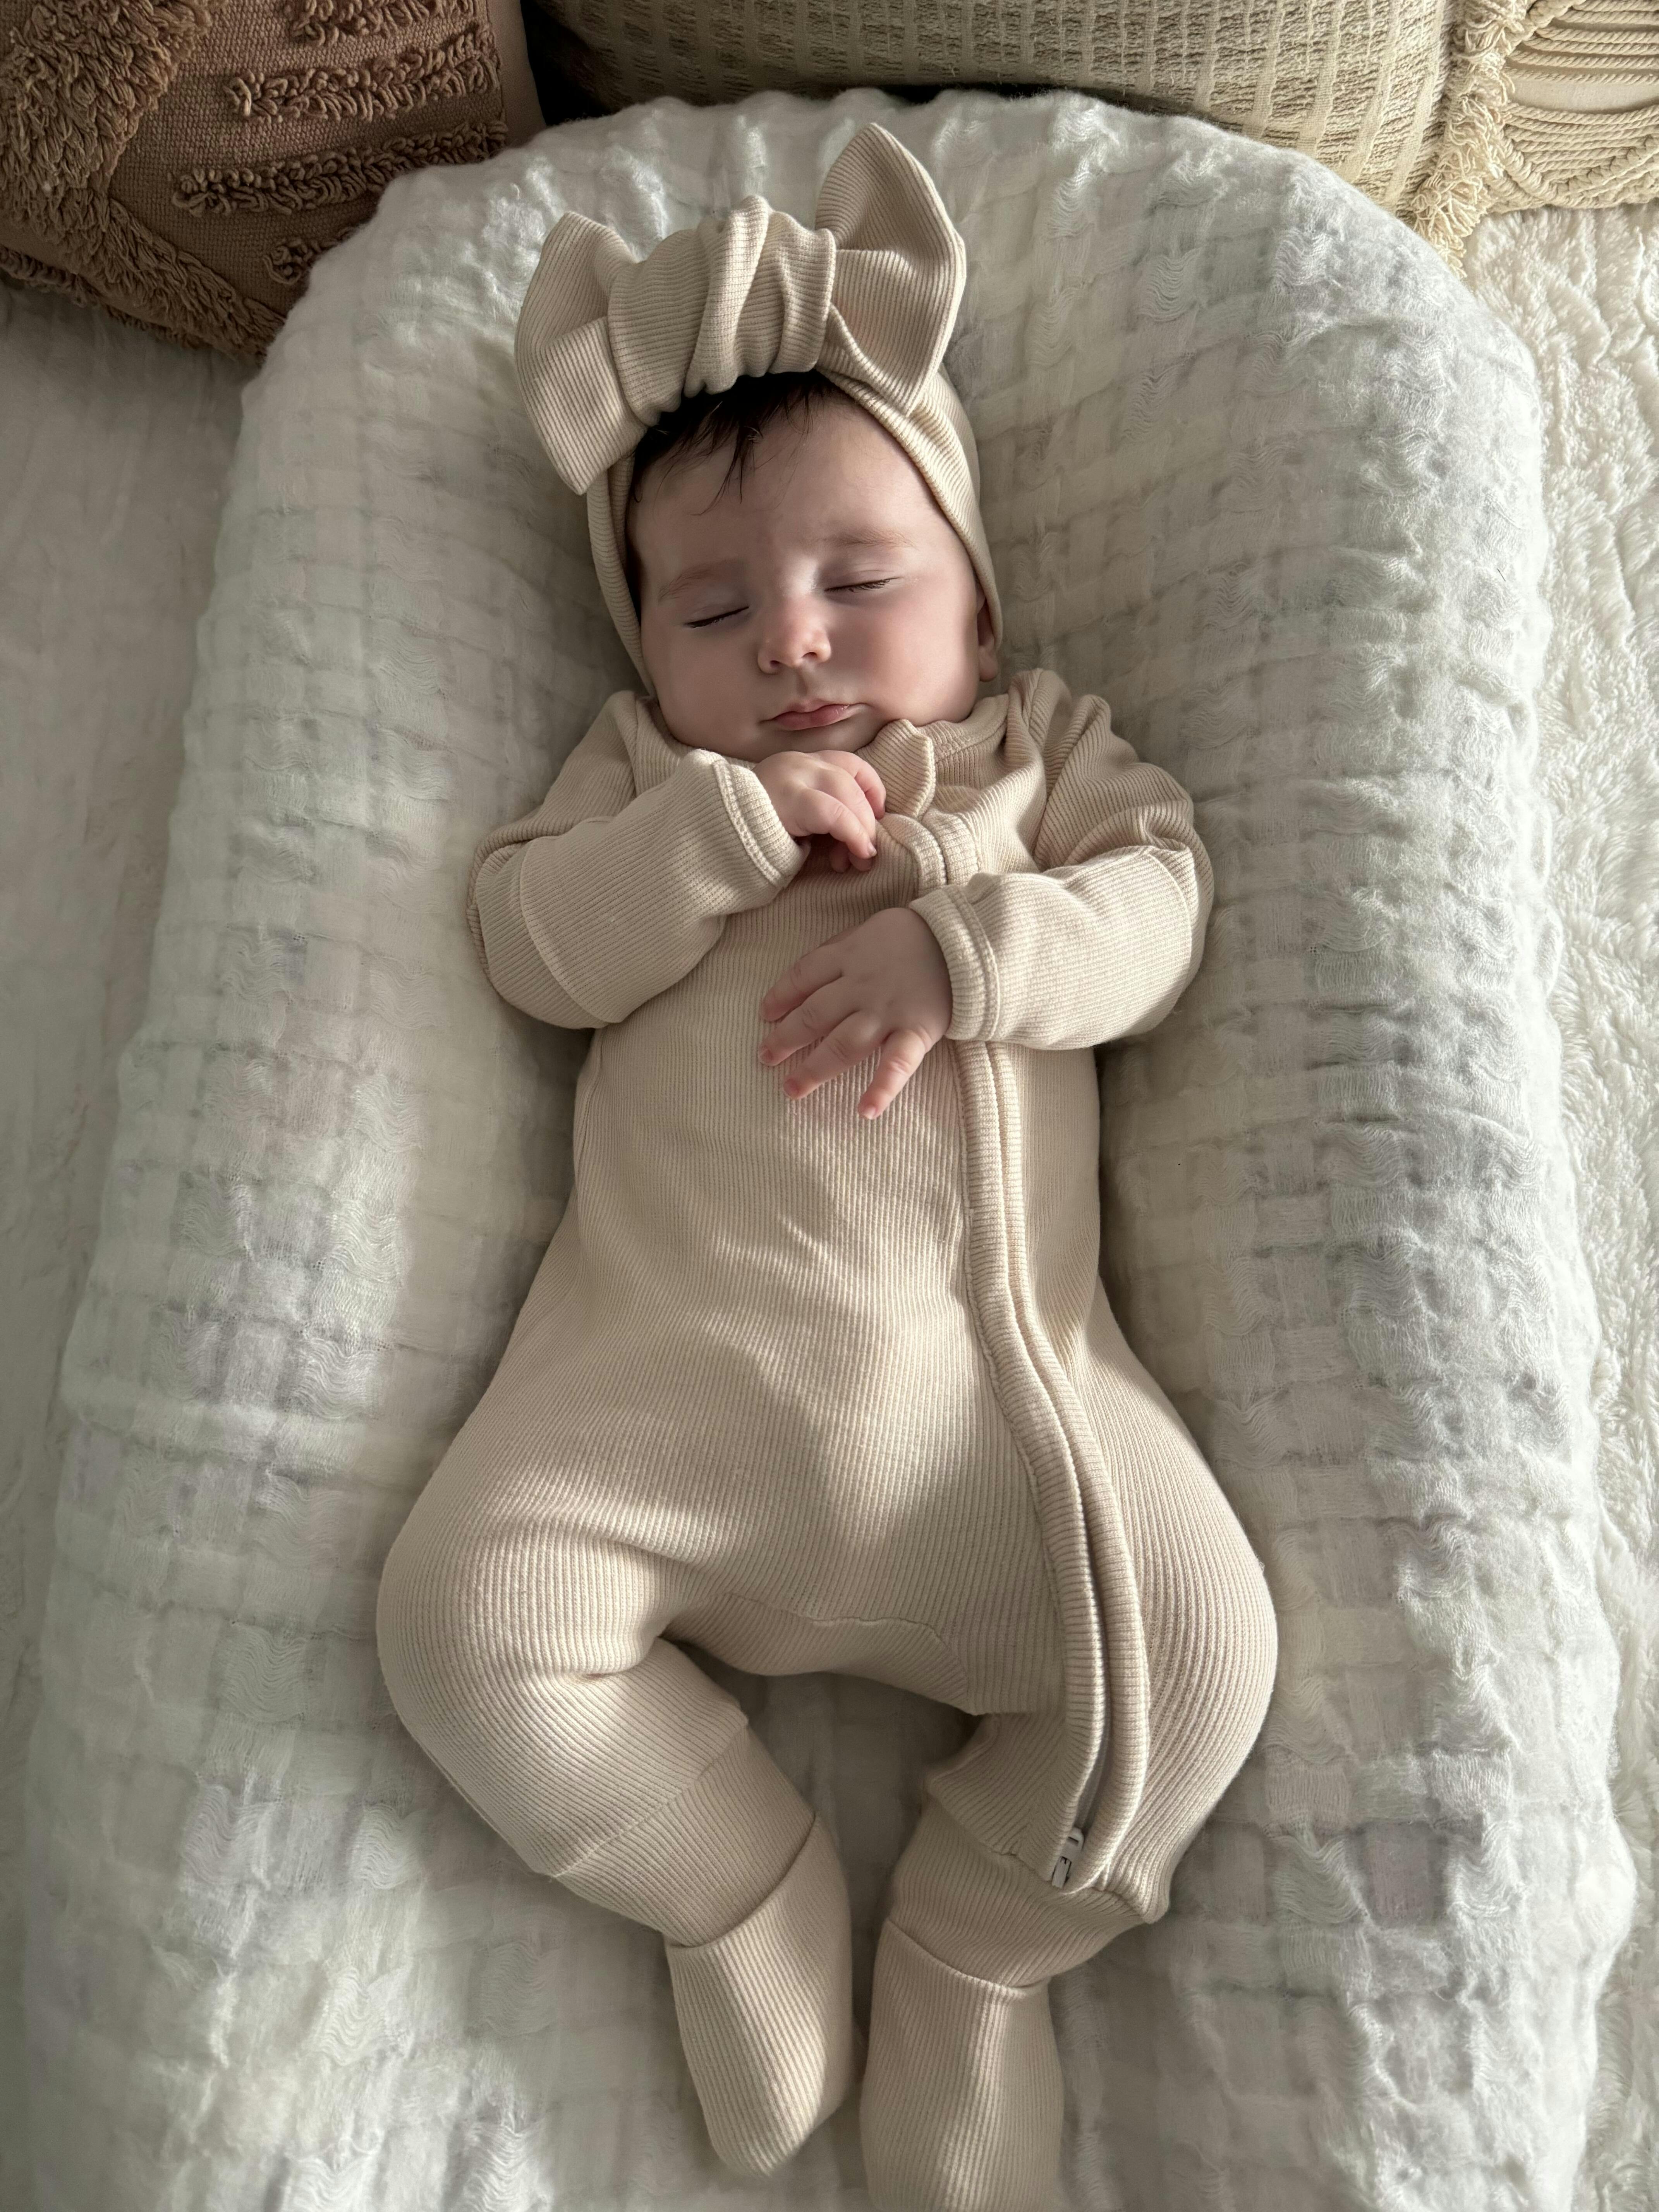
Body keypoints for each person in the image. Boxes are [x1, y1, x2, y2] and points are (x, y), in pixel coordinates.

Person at [374, 120, 1278, 2212]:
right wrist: (706, 840)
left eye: (858, 584)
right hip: (653, 1418)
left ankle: (975, 1947)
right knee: (460, 1627)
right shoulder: (644, 781)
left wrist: (972, 950)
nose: (792, 643)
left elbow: (1163, 914)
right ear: (647, 657)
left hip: (1002, 1445)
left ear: (978, 597)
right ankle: (734, 1877)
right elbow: (527, 943)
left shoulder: (1036, 759)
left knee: (1204, 1657)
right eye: (713, 608)